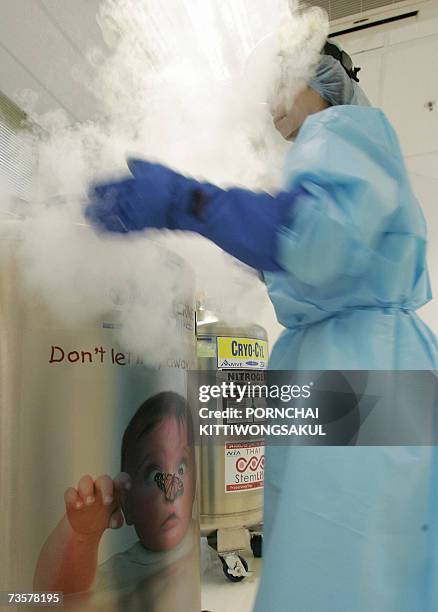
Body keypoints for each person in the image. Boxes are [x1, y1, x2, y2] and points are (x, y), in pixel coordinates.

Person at [85, 40, 438, 612]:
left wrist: (188, 202)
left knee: (343, 574)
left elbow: (316, 239)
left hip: (360, 371)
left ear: (316, 78)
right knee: (349, 563)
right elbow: (312, 249)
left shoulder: (347, 129)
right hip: (355, 367)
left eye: (276, 83)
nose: (267, 103)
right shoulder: (332, 153)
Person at [34, 391, 197, 597]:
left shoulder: (203, 541)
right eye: (154, 474)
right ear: (127, 503)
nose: (171, 492)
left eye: (181, 468)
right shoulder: (120, 573)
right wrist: (82, 533)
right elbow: (52, 596)